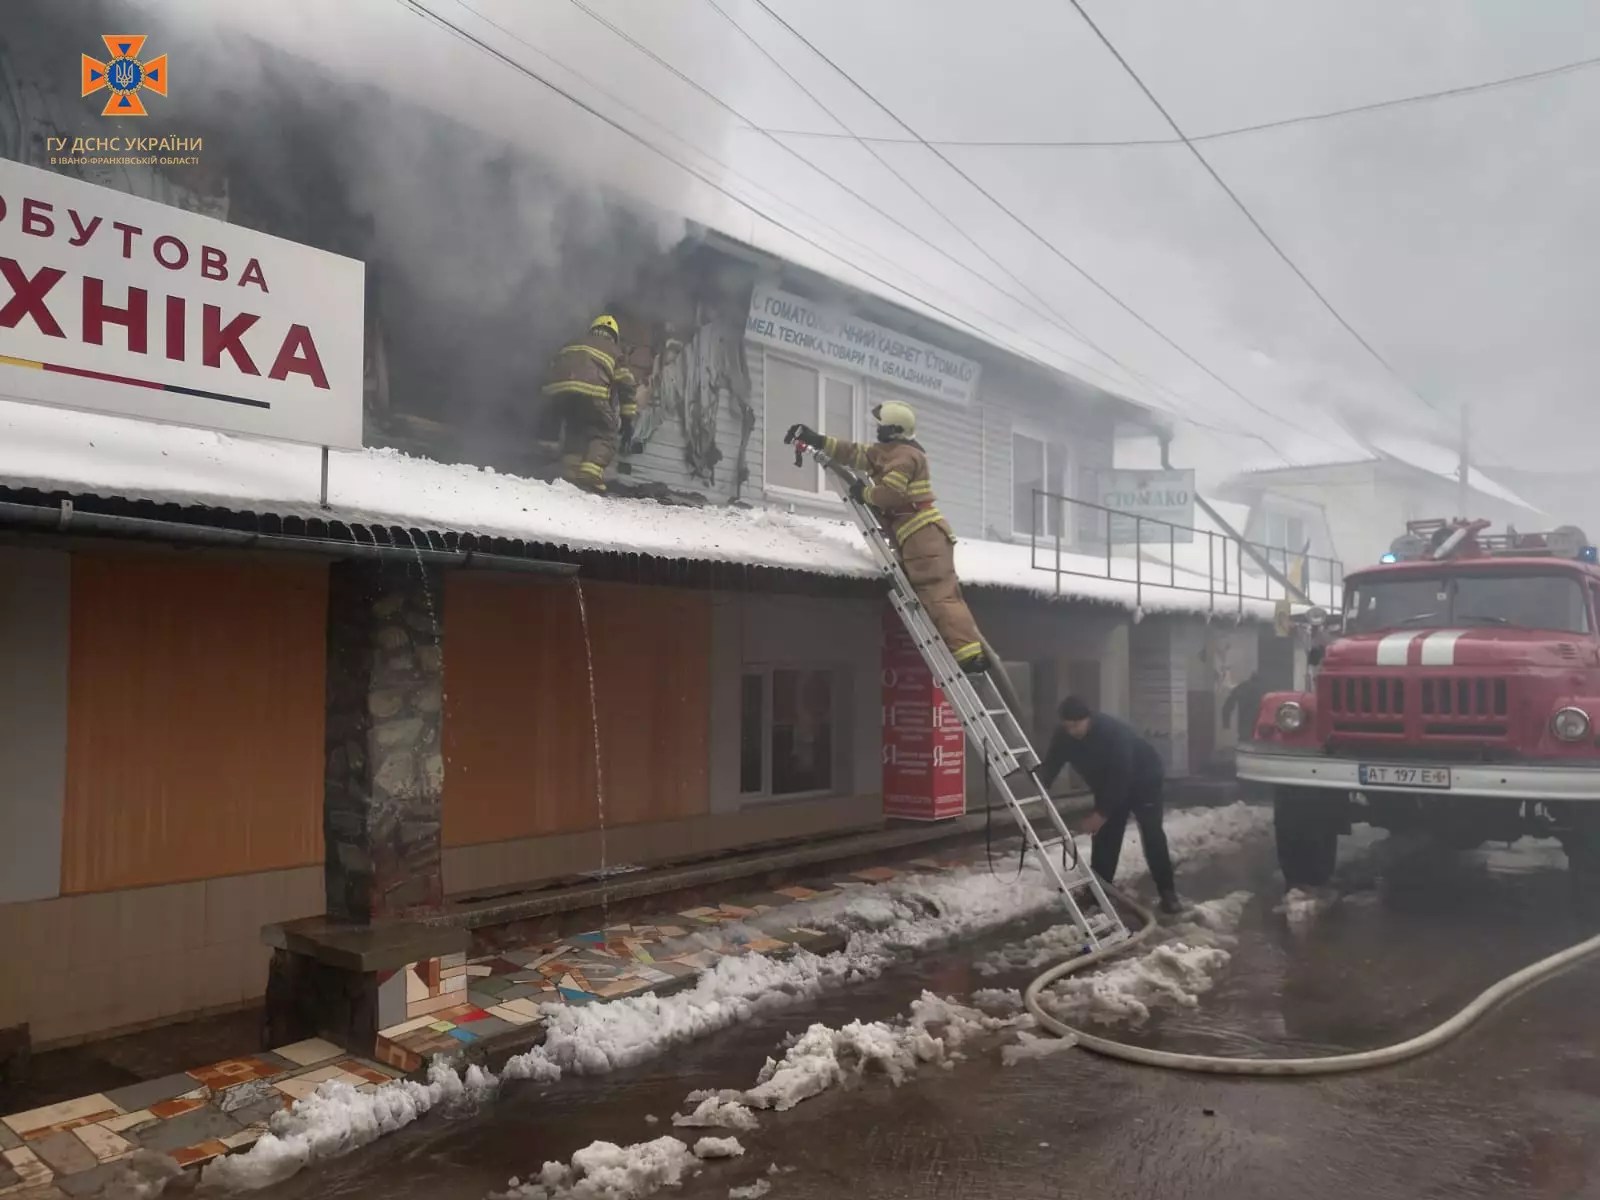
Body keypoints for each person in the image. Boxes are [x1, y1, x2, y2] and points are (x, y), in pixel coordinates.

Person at [785, 400, 989, 673]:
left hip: (922, 534)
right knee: (939, 594)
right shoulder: (890, 452)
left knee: (939, 595)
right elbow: (855, 453)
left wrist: (865, 494)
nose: (877, 429)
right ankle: (966, 650)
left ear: (893, 429)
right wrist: (815, 439)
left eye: (881, 425)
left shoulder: (905, 456)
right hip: (920, 535)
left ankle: (969, 655)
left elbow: (891, 493)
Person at [1036, 697, 1182, 914]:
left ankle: (1168, 893)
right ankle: (1099, 891)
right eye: (1067, 726)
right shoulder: (1064, 736)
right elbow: (1053, 763)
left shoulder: (1114, 733)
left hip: (1144, 780)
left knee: (1152, 833)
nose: (1072, 731)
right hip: (1108, 785)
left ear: (1088, 719)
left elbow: (1121, 776)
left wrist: (1102, 813)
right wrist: (1040, 783)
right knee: (1105, 836)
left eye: (1076, 725)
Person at [538, 314, 630, 493]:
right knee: (604, 433)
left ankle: (570, 471)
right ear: (613, 336)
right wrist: (627, 417)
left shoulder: (571, 342)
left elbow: (550, 368)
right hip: (592, 391)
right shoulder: (615, 350)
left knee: (575, 426)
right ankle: (590, 475)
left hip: (557, 392)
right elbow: (626, 384)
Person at [1221, 669, 1267, 741]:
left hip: (1245, 722)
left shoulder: (1243, 686)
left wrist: (1226, 721)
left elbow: (1229, 704)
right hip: (1255, 722)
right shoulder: (1259, 689)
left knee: (1244, 740)